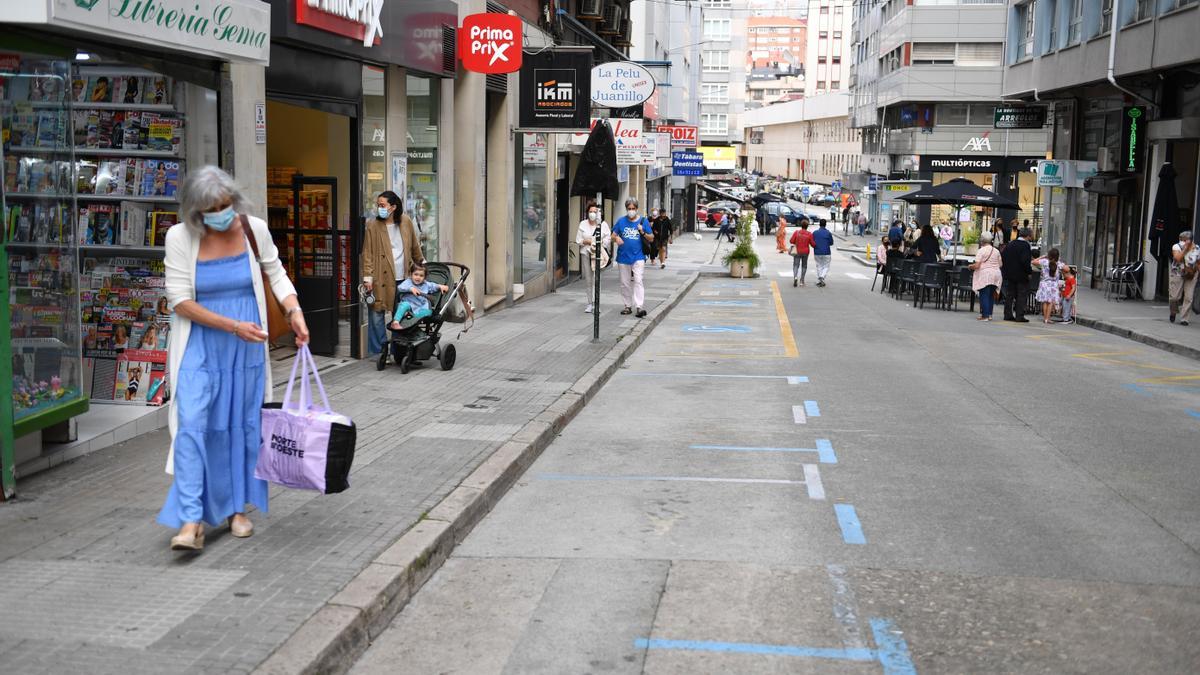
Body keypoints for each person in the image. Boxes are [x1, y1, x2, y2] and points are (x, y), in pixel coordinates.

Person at [159, 165, 309, 551]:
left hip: (246, 351)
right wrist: (232, 326)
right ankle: (191, 519)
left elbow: (275, 273)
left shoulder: (253, 229)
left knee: (240, 426)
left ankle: (237, 509)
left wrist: (294, 311)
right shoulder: (179, 238)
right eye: (212, 209)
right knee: (192, 426)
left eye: (226, 205)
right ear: (196, 211)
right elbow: (180, 301)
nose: (222, 214)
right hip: (201, 345)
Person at [361, 191, 424, 355]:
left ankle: (399, 350)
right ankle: (379, 352)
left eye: (382, 205)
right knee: (376, 314)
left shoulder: (405, 222)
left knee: (400, 316)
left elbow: (414, 246)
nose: (379, 208)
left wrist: (422, 264)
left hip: (403, 278)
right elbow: (367, 253)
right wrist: (367, 277)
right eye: (378, 205)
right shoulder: (373, 225)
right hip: (380, 277)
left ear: (393, 207)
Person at [612, 198, 653, 318]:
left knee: (638, 280)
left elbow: (651, 238)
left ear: (636, 209)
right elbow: (612, 235)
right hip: (623, 257)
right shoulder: (621, 221)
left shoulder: (643, 221)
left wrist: (642, 232)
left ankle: (639, 306)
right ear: (626, 209)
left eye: (633, 209)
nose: (631, 211)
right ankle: (627, 306)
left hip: (638, 256)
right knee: (625, 283)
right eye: (629, 209)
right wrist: (616, 238)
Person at [387, 262, 449, 330]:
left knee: (428, 312)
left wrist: (440, 286)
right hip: (409, 304)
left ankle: (413, 319)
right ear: (411, 275)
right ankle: (395, 322)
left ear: (424, 277)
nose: (418, 277)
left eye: (421, 275)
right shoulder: (408, 282)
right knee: (403, 305)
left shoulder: (426, 284)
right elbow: (400, 287)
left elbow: (433, 286)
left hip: (420, 306)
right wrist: (410, 288)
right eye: (416, 274)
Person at [576, 202, 611, 314]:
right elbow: (578, 240)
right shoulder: (583, 224)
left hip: (598, 254)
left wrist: (599, 243)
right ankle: (589, 303)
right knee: (588, 280)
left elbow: (607, 239)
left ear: (599, 213)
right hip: (586, 253)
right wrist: (586, 241)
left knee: (597, 279)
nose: (592, 214)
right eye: (590, 211)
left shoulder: (603, 224)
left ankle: (597, 304)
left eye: (594, 212)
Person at [1001, 227, 1034, 322]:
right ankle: (1019, 315)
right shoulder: (1025, 246)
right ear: (1028, 235)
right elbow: (1025, 261)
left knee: (1010, 295)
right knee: (1021, 295)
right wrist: (1029, 272)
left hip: (1010, 274)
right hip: (1021, 275)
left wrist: (1007, 269)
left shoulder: (1011, 244)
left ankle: (1007, 314)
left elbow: (1004, 256)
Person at [969, 230, 1003, 321]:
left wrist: (970, 266)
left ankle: (985, 315)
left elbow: (977, 265)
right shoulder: (996, 251)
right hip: (996, 274)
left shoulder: (981, 250)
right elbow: (1000, 264)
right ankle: (989, 314)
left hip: (985, 275)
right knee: (991, 295)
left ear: (982, 240)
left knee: (984, 294)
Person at [1169, 230, 1199, 326]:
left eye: (1184, 239)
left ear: (1190, 240)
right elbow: (1177, 258)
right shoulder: (1176, 246)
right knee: (1174, 297)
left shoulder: (1197, 248)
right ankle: (1173, 312)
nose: (1181, 241)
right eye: (1181, 239)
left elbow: (1198, 262)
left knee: (1189, 297)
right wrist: (1185, 248)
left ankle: (1184, 319)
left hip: (1191, 274)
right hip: (1177, 273)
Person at [1033, 247, 1068, 324]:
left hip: (1044, 284)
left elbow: (1033, 262)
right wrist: (1059, 261)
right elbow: (1067, 269)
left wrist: (1043, 256)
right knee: (1051, 302)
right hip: (1053, 285)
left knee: (1045, 302)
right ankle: (1048, 319)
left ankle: (1045, 318)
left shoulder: (1044, 261)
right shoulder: (1058, 264)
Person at [788, 219, 814, 287]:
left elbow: (791, 241)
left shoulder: (796, 232)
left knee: (796, 265)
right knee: (804, 265)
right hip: (805, 251)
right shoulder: (809, 234)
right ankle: (802, 281)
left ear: (801, 225)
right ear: (807, 226)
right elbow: (813, 244)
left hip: (797, 251)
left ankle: (795, 277)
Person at [813, 219, 835, 287]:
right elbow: (831, 243)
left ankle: (820, 279)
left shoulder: (815, 233)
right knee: (826, 266)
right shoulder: (828, 233)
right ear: (825, 225)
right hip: (826, 252)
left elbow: (812, 242)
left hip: (817, 251)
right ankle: (822, 277)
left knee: (819, 265)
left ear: (819, 224)